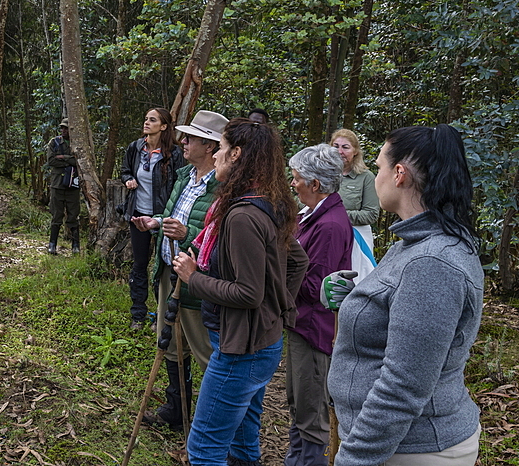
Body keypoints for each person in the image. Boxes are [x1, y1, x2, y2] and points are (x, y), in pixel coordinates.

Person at [322, 124, 483, 466]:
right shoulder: (414, 246)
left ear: (399, 175)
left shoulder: (431, 262)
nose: (375, 176)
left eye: (379, 166)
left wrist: (353, 458)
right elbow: (398, 310)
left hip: (413, 450)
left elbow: (403, 387)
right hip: (395, 447)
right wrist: (354, 296)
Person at [172, 118, 309, 466]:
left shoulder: (243, 216)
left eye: (219, 148)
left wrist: (193, 278)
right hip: (258, 341)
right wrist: (277, 308)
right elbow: (297, 261)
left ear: (237, 154)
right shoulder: (266, 202)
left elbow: (248, 293)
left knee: (203, 448)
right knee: (244, 443)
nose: (215, 155)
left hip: (241, 349)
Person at [132, 109, 227, 432]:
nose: (183, 141)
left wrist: (186, 235)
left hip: (197, 282)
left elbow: (216, 233)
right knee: (170, 343)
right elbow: (176, 213)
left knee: (205, 351)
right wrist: (156, 222)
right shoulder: (186, 175)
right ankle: (177, 408)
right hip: (169, 273)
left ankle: (216, 424)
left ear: (210, 146)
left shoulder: (223, 185)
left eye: (191, 138)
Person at [285, 144, 353, 466]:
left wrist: (276, 276)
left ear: (315, 184)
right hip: (300, 324)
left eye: (297, 178)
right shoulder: (313, 215)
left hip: (314, 330)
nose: (293, 184)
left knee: (311, 412)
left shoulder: (330, 225)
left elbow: (316, 287)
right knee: (298, 403)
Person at [121, 107, 184, 329]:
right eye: (146, 119)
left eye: (152, 120)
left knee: (163, 266)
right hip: (138, 215)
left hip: (163, 217)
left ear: (164, 126)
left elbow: (180, 185)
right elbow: (125, 170)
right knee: (139, 264)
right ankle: (138, 314)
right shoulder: (136, 148)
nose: (146, 123)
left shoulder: (175, 154)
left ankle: (162, 316)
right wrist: (128, 179)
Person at [329, 128, 379, 267]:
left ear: (355, 151)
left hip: (357, 239)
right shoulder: (323, 174)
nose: (340, 152)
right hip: (327, 235)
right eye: (336, 146)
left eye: (345, 147)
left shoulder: (366, 177)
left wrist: (337, 216)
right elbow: (305, 203)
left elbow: (371, 214)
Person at [46, 118, 80, 255]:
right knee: (56, 215)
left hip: (73, 185)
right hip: (57, 184)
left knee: (73, 215)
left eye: (67, 128)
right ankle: (52, 244)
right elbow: (51, 161)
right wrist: (69, 161)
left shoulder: (78, 144)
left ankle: (75, 245)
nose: (64, 131)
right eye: (62, 128)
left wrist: (64, 158)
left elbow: (78, 161)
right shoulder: (54, 142)